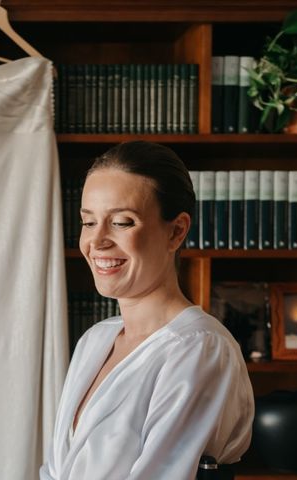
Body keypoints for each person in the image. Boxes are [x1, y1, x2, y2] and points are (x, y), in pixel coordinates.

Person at [39, 141, 254, 480]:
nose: (97, 242)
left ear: (177, 231)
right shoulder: (96, 340)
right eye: (88, 222)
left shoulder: (199, 349)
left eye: (122, 222)